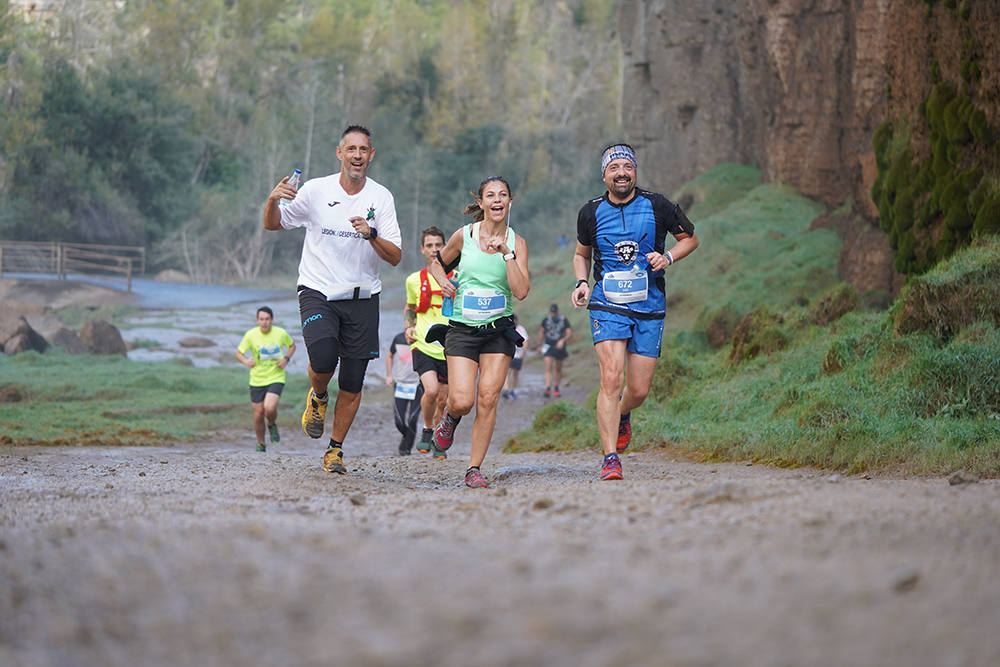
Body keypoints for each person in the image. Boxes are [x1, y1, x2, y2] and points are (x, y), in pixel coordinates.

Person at [263, 125, 402, 475]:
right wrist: (271, 200)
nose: (357, 155)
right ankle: (318, 396)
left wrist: (371, 235)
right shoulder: (314, 190)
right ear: (339, 153)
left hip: (362, 296)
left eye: (363, 149)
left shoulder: (381, 198)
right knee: (323, 359)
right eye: (351, 148)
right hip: (318, 290)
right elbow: (274, 224)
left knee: (353, 381)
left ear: (371, 155)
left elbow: (396, 256)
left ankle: (335, 451)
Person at [570, 143, 699, 481]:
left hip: (649, 304)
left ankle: (623, 413)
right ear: (604, 175)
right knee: (611, 379)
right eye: (614, 168)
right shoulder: (590, 211)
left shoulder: (658, 205)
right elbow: (581, 254)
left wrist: (667, 257)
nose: (622, 172)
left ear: (635, 171)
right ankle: (610, 458)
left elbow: (690, 239)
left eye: (627, 166)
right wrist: (582, 282)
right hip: (607, 303)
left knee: (638, 390)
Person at [428, 176, 530, 488]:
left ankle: (474, 468)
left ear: (509, 203)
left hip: (499, 331)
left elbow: (522, 291)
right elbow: (437, 263)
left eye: (503, 195)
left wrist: (507, 255)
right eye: (491, 195)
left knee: (487, 397)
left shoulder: (517, 243)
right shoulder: (465, 235)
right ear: (482, 203)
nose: (497, 200)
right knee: (461, 401)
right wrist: (442, 281)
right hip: (462, 330)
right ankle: (450, 419)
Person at [403, 226, 451, 457]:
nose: (434, 250)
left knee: (443, 400)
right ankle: (427, 428)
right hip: (422, 344)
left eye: (438, 245)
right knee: (431, 391)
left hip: (451, 346)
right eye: (429, 245)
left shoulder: (458, 277)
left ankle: (438, 441)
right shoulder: (414, 280)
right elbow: (410, 308)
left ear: (446, 247)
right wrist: (408, 326)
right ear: (422, 249)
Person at [236, 306, 296, 452]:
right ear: (257, 320)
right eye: (261, 319)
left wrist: (286, 359)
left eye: (267, 319)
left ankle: (272, 423)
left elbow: (292, 346)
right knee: (258, 414)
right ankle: (261, 444)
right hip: (256, 380)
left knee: (269, 408)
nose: (264, 322)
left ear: (272, 320)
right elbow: (239, 353)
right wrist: (246, 361)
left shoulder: (280, 333)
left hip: (276, 376)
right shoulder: (250, 335)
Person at [385, 330, 424, 456]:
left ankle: (406, 450)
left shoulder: (422, 336)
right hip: (400, 384)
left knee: (412, 419)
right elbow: (390, 356)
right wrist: (389, 375)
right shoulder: (398, 338)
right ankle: (406, 437)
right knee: (399, 421)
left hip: (417, 385)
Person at [538, 303, 572, 398]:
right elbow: (541, 332)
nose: (553, 314)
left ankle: (556, 387)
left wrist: (562, 340)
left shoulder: (563, 320)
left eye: (555, 312)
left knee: (558, 368)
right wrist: (539, 345)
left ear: (557, 312)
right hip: (548, 345)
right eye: (552, 312)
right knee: (548, 367)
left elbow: (569, 333)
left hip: (559, 346)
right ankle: (548, 388)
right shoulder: (546, 320)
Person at [501, 313, 529, 399]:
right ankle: (506, 389)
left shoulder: (521, 329)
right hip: (509, 353)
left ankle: (512, 389)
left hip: (518, 354)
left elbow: (525, 342)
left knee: (515, 373)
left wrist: (522, 353)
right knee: (507, 371)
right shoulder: (507, 328)